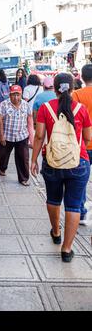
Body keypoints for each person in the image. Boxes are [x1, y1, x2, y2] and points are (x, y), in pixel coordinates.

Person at [31, 73, 92, 262]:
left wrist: (33, 160)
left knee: (53, 199)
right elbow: (88, 138)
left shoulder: (45, 108)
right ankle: (66, 250)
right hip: (78, 161)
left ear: (54, 89)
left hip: (52, 161)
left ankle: (56, 232)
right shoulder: (81, 109)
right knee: (73, 205)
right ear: (73, 88)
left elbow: (39, 136)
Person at [0, 85, 34, 186]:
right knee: (3, 155)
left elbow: (30, 122)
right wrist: (1, 135)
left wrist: (31, 139)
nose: (16, 97)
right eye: (13, 95)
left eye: (18, 94)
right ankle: (3, 168)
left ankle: (24, 178)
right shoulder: (4, 104)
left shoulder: (26, 105)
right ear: (9, 95)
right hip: (7, 135)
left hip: (22, 136)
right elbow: (0, 120)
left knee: (23, 158)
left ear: (21, 94)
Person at [73, 64, 92, 225]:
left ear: (82, 77)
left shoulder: (77, 94)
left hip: (83, 143)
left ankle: (81, 212)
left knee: (81, 181)